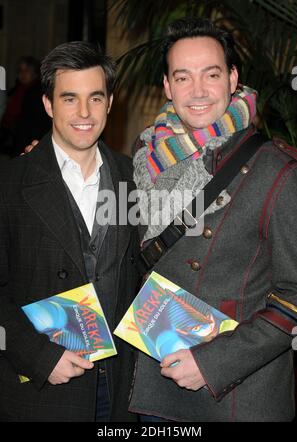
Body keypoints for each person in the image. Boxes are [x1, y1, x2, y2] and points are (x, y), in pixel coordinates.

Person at [129, 18, 297, 422]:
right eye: (183, 77)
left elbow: (296, 294)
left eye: (212, 74)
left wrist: (212, 363)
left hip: (233, 395)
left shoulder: (276, 171)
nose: (199, 91)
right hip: (155, 380)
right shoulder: (146, 158)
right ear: (168, 87)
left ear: (232, 78)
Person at [0, 42, 139, 422]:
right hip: (40, 389)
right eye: (69, 98)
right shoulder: (9, 184)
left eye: (95, 98)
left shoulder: (134, 179)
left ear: (110, 102)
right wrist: (39, 356)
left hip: (118, 392)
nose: (83, 113)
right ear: (48, 105)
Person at [0, 56, 51, 157]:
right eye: (20, 70)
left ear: (35, 73)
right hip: (14, 137)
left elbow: (35, 122)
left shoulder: (38, 92)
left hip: (30, 140)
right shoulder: (17, 89)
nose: (22, 74)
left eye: (27, 70)